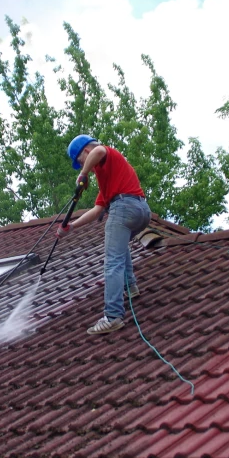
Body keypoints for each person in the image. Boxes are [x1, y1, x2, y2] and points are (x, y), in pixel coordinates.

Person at [56, 134, 151, 335]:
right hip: (142, 212)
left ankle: (113, 316)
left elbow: (99, 150)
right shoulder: (110, 179)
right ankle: (130, 286)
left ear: (85, 152)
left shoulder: (105, 153)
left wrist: (83, 173)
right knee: (120, 246)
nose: (82, 164)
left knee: (112, 261)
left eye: (79, 159)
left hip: (124, 207)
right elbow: (97, 210)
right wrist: (71, 227)